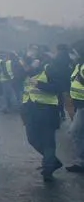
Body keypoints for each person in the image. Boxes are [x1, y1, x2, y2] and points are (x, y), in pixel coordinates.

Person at [20, 45, 70, 180]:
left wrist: (39, 84)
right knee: (32, 139)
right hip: (31, 111)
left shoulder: (50, 68)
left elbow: (60, 87)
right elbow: (25, 92)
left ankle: (48, 168)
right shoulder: (27, 72)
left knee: (48, 141)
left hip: (47, 110)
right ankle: (52, 161)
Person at [67, 41, 84, 173]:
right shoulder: (78, 65)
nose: (72, 55)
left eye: (74, 52)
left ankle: (80, 162)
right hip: (79, 104)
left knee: (75, 132)